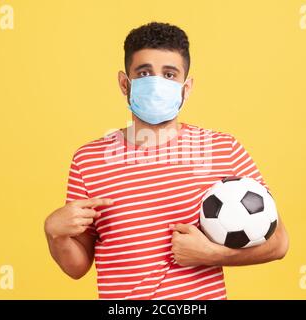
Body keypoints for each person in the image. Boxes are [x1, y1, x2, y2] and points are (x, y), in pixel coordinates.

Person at [44, 22, 289, 300]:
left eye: (169, 74)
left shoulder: (223, 149)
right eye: (145, 72)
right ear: (126, 83)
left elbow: (279, 243)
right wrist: (55, 234)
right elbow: (76, 267)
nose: (158, 83)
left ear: (187, 87)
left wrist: (211, 254)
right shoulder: (88, 160)